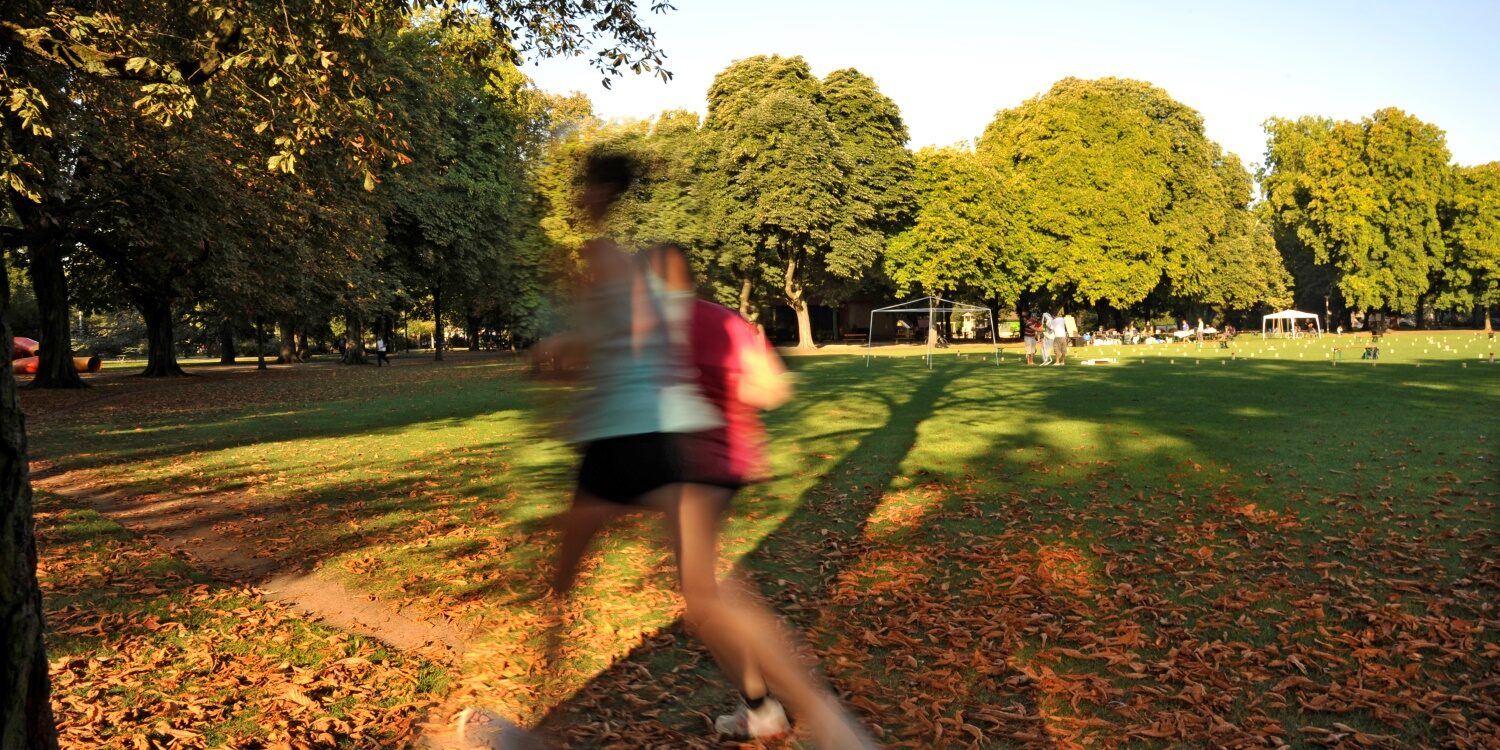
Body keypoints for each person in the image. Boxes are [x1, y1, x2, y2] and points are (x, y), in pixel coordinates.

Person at [530, 153, 877, 749]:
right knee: (707, 595)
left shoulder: (604, 260)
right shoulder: (689, 304)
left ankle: (539, 727)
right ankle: (825, 722)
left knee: (562, 583)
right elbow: (761, 386)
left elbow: (610, 347)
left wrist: (557, 354)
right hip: (680, 448)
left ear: (594, 192)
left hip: (628, 439)